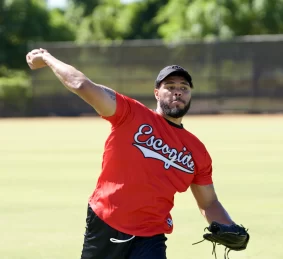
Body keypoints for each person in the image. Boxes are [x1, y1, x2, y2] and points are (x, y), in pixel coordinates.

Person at [26, 48, 245, 258]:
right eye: (169, 86)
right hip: (106, 223)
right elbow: (81, 84)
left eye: (184, 87)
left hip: (151, 236)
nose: (177, 91)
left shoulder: (197, 151)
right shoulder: (130, 114)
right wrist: (46, 58)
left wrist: (230, 226)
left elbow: (208, 203)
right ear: (156, 92)